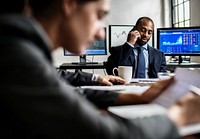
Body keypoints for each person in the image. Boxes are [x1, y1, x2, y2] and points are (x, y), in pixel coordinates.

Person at [0, 0, 200, 138]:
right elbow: (113, 135)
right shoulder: (15, 56)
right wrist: (179, 116)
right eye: (99, 15)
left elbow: (62, 84)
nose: (101, 34)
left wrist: (134, 98)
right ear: (69, 4)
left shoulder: (21, 48)